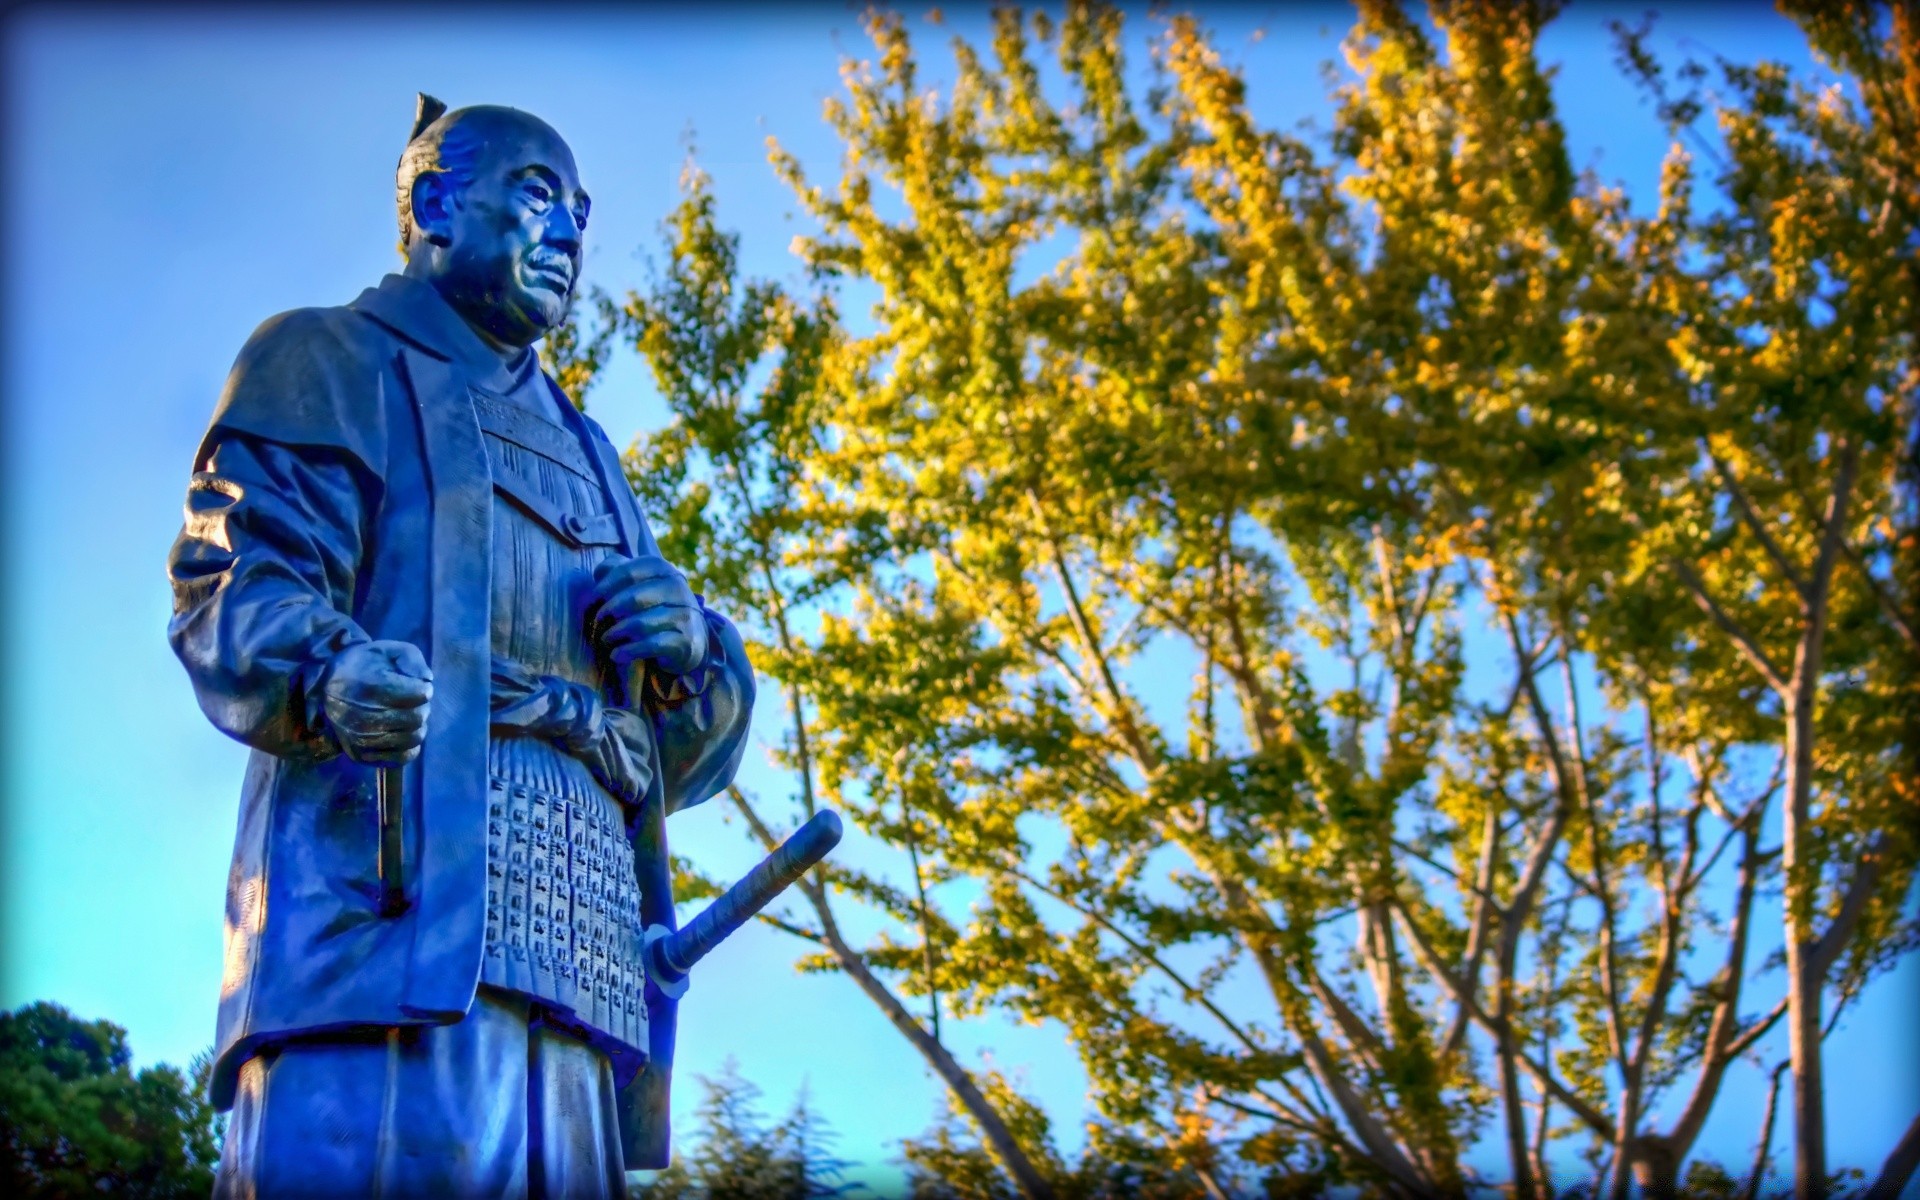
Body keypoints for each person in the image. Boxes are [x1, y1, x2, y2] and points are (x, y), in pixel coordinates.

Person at [166, 94, 754, 1197]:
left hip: (583, 992)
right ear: (436, 201)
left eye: (582, 211)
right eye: (540, 196)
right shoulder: (328, 358)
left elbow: (667, 764)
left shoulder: (593, 456)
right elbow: (230, 585)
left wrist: (697, 659)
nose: (572, 234)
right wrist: (331, 672)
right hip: (377, 960)